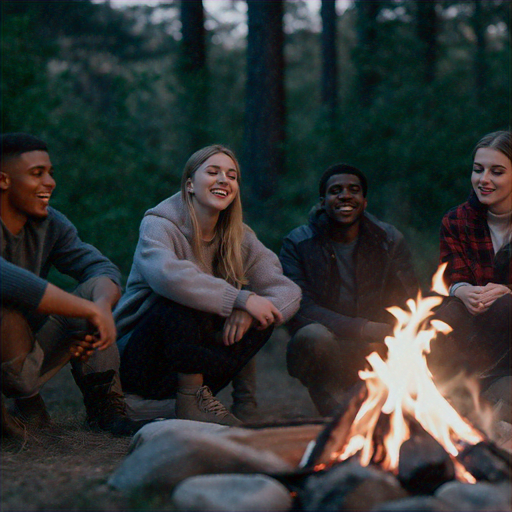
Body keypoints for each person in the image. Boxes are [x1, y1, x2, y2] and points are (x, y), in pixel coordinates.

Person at [114, 144, 301, 426]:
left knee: (264, 317)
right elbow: (168, 276)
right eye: (213, 172)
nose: (224, 180)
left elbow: (288, 291)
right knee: (184, 299)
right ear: (189, 184)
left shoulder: (240, 237)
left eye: (232, 175)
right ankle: (183, 400)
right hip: (138, 357)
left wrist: (249, 307)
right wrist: (239, 299)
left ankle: (182, 402)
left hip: (189, 358)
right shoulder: (159, 224)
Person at [1, 133, 141, 439]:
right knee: (6, 307)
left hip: (23, 351)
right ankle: (27, 404)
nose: (50, 183)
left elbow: (100, 267)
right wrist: (86, 308)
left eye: (50, 173)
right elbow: (7, 279)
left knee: (94, 292)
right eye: (37, 174)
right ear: (3, 180)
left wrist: (100, 307)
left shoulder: (51, 222)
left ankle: (107, 409)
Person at [280, 163, 419, 416]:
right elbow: (300, 308)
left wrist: (394, 334)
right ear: (323, 202)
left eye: (353, 190)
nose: (345, 195)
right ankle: (327, 392)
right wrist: (363, 327)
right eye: (336, 190)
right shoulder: (298, 243)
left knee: (374, 416)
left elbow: (409, 300)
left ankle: (369, 394)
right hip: (328, 348)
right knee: (312, 336)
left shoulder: (388, 240)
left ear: (364, 202)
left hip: (377, 348)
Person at [435, 130, 511, 414]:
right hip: (471, 321)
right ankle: (448, 391)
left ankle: (492, 390)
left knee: (506, 306)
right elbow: (450, 274)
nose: (484, 180)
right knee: (445, 317)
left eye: (497, 171)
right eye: (478, 170)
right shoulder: (456, 220)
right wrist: (462, 290)